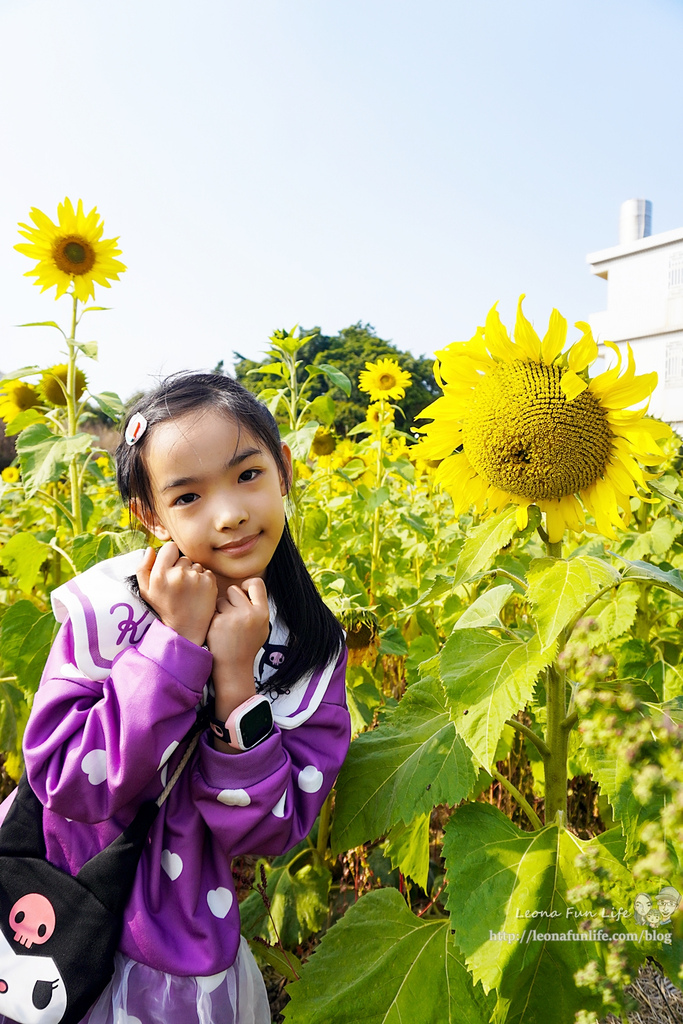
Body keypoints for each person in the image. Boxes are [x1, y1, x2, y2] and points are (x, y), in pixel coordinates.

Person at [1, 373, 350, 1024]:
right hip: (46, 898)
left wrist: (236, 679)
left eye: (247, 476)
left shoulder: (310, 651)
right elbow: (66, 781)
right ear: (149, 515)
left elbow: (268, 828)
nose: (229, 513)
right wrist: (175, 644)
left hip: (179, 949)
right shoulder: (105, 608)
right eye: (188, 495)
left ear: (285, 471)